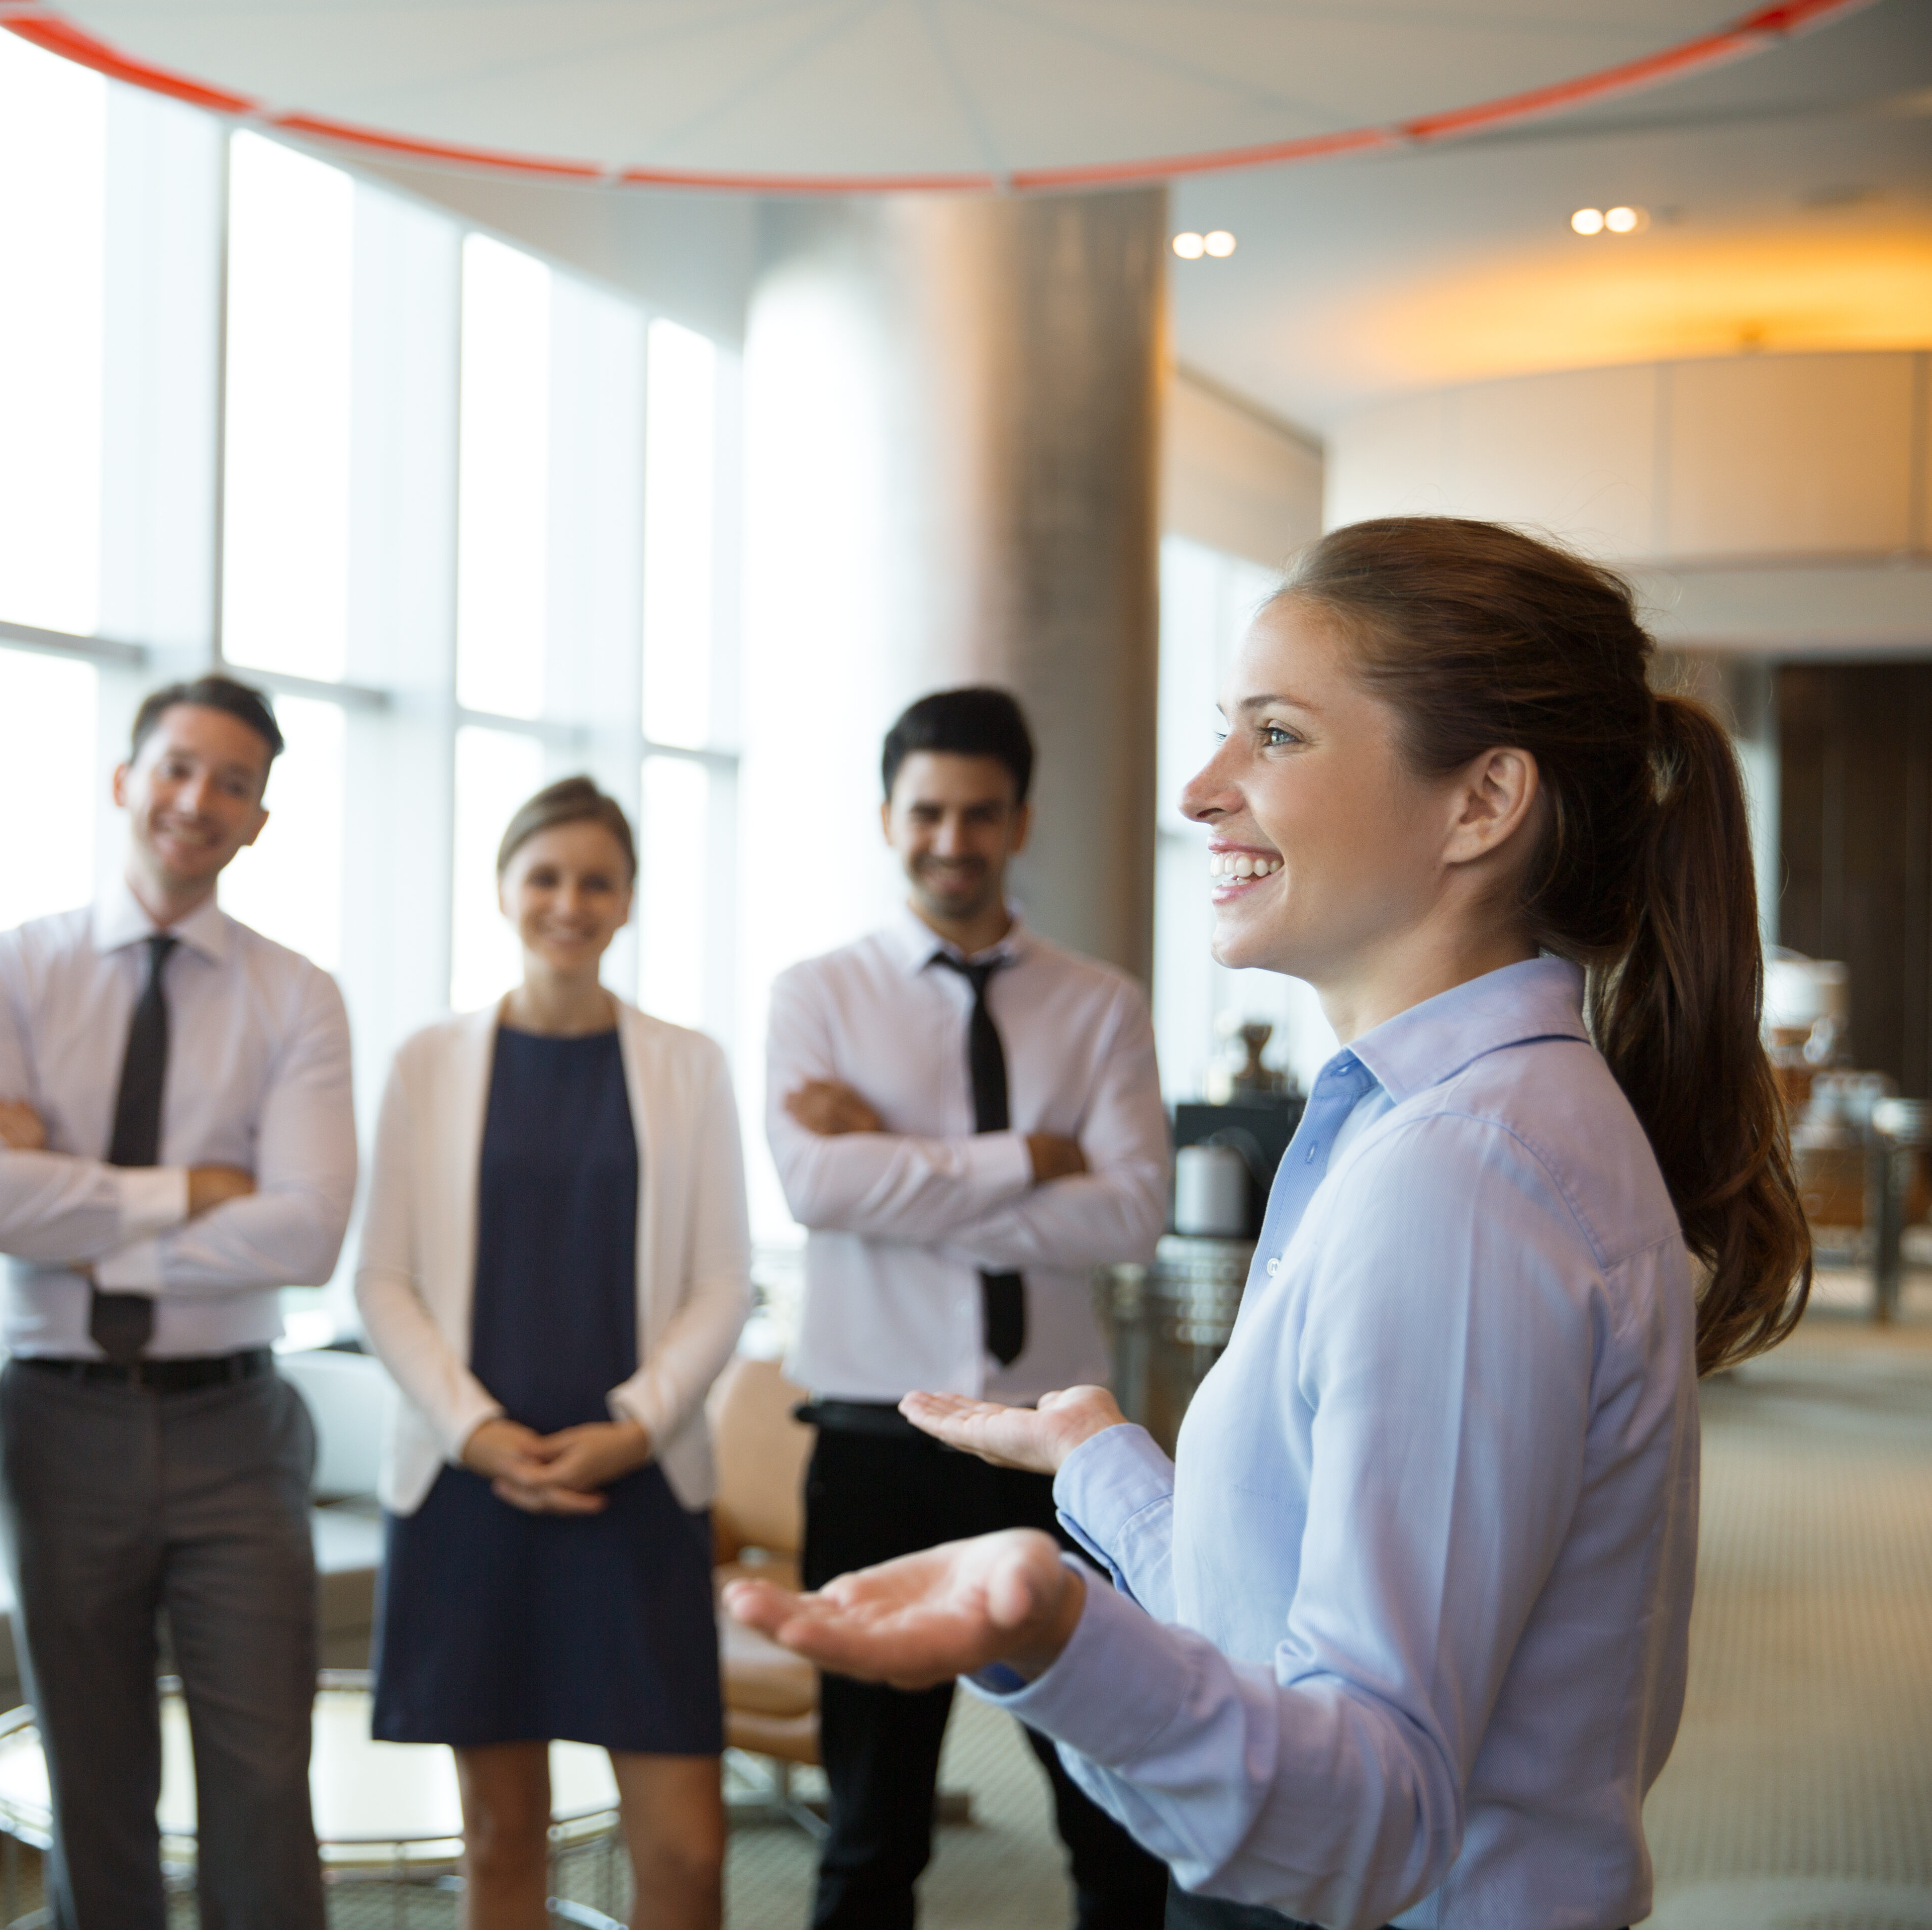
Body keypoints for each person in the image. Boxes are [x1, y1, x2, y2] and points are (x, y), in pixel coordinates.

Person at [731, 517, 1812, 1930]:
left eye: (1278, 736)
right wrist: (1100, 1462)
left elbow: (1371, 1818)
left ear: (1481, 802)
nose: (1201, 789)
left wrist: (1063, 1639)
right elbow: (1281, 1634)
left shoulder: (1463, 1178)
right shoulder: (1425, 1125)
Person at [0, 674, 357, 1930]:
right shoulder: (10, 971)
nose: (199, 800)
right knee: (93, 1780)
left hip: (236, 1422)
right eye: (178, 767)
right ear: (126, 780)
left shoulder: (297, 996)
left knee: (264, 1780)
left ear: (260, 820)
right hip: (58, 1422)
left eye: (235, 782)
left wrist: (84, 1214)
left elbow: (310, 1231)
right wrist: (196, 1193)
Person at [763, 687, 1172, 1930]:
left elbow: (1129, 1215)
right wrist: (1019, 1158)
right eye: (928, 811)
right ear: (888, 818)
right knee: (871, 1827)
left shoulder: (1099, 1004)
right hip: (874, 1444)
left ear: (1021, 821)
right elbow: (812, 1186)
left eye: (980, 814)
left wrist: (896, 1155)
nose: (954, 838)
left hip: (1052, 1449)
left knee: (1110, 1807)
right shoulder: (818, 993)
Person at [357, 777, 754, 1930]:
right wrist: (473, 1434)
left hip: (638, 1485)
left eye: (597, 881)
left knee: (684, 1851)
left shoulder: (691, 1066)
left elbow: (725, 1282)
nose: (569, 903)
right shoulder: (425, 1064)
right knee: (498, 1837)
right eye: (545, 877)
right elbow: (380, 1279)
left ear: (627, 901)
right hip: (467, 1489)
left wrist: (637, 1425)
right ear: (503, 889)